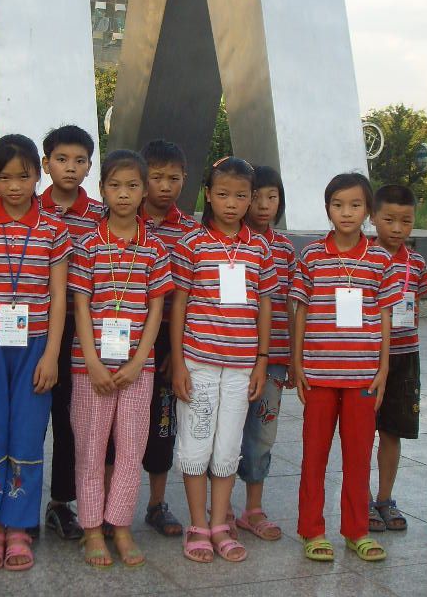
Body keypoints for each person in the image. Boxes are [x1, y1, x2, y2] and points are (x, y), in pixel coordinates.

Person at [0, 135, 69, 570]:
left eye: (24, 177)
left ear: (38, 175)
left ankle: (19, 526)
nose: (15, 186)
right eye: (5, 178)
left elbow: (58, 298)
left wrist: (52, 355)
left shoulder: (54, 230)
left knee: (27, 432)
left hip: (34, 348)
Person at [69, 149, 173, 568]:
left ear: (144, 190)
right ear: (102, 190)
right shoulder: (87, 245)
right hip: (89, 368)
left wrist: (138, 361)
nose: (124, 194)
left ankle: (122, 526)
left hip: (137, 369)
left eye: (132, 186)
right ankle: (93, 529)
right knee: (90, 450)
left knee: (131, 450)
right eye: (115, 186)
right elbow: (80, 306)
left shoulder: (155, 249)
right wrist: (93, 361)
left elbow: (156, 309)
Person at [290, 172, 399, 563]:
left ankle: (357, 530)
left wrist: (383, 368)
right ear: (328, 209)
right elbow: (300, 310)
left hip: (362, 377)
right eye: (338, 205)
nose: (346, 212)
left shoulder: (381, 260)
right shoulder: (312, 256)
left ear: (367, 210)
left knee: (358, 457)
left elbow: (385, 316)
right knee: (314, 455)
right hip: (319, 374)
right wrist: (297, 362)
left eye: (355, 205)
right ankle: (312, 529)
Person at [171, 156, 274, 564]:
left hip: (241, 366)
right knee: (196, 442)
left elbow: (265, 306)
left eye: (241, 196)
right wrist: (179, 363)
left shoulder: (260, 248)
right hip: (198, 361)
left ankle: (219, 524)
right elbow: (179, 304)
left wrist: (262, 360)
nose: (232, 204)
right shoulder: (191, 244)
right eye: (223, 194)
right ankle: (197, 525)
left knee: (228, 445)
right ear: (208, 195)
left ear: (252, 198)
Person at [104, 139, 196, 537]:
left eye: (174, 178)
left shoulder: (191, 231)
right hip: (115, 334)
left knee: (162, 423)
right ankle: (108, 504)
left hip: (166, 340)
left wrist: (178, 351)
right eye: (156, 178)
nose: (165, 186)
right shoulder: (117, 222)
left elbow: (193, 294)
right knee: (110, 422)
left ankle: (157, 503)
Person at [40, 124, 103, 540]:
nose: (70, 167)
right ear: (46, 164)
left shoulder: (99, 216)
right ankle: (16, 502)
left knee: (69, 419)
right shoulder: (29, 207)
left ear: (89, 167)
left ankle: (61, 502)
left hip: (80, 331)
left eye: (79, 161)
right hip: (32, 328)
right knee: (27, 418)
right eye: (61, 159)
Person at [234, 165, 295, 541]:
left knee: (262, 434)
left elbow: (290, 304)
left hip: (273, 359)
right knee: (224, 433)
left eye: (272, 197)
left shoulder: (285, 249)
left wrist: (294, 358)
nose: (263, 204)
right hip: (230, 353)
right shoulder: (227, 242)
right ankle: (220, 507)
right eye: (255, 196)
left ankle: (253, 508)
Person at [368, 184, 427, 533]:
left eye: (406, 221)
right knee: (362, 432)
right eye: (389, 219)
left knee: (393, 431)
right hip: (367, 356)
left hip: (405, 357)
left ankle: (385, 498)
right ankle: (361, 497)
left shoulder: (416, 263)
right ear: (373, 217)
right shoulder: (363, 257)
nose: (397, 228)